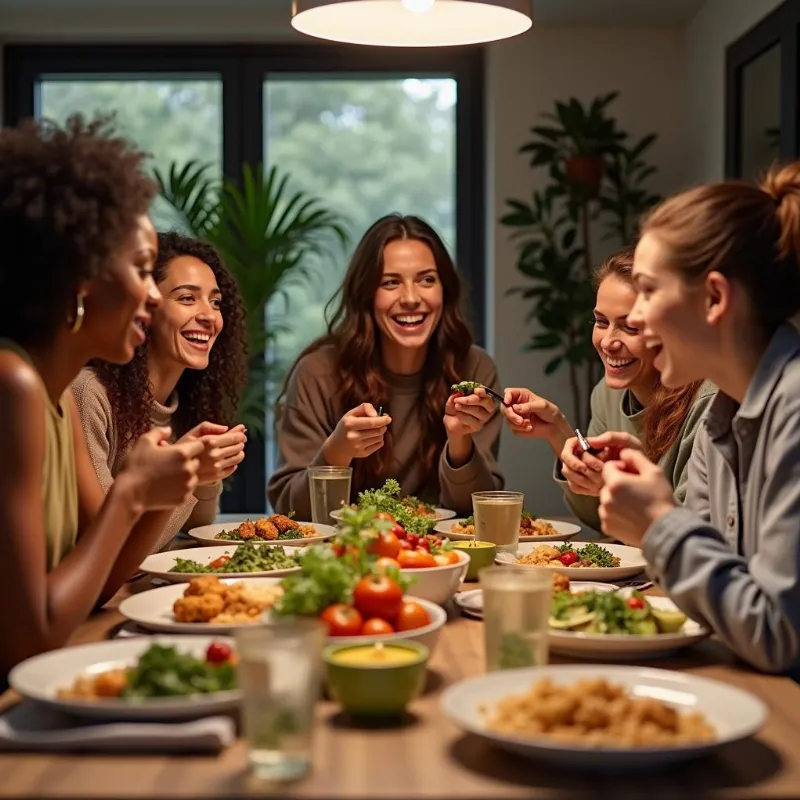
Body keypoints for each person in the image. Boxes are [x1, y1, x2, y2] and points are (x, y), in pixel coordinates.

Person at [0, 115, 203, 676]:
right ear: (81, 276)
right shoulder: (12, 383)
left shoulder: (55, 393)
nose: (156, 298)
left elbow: (98, 581)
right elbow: (27, 640)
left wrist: (157, 489)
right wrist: (131, 495)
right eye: (142, 270)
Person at [597, 163, 800, 675]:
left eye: (647, 291)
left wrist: (659, 524)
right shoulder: (722, 419)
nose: (636, 319)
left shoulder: (794, 409)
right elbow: (714, 603)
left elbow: (777, 635)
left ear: (713, 298)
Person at [268, 213, 504, 518]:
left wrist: (460, 441)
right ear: (366, 294)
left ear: (444, 291)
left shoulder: (474, 370)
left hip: (442, 555)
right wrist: (336, 452)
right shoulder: (317, 373)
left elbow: (480, 514)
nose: (410, 298)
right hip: (345, 555)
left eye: (426, 280)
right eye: (390, 282)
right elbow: (289, 510)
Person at [502, 246, 715, 530]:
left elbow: (693, 536)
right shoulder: (606, 393)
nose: (607, 342)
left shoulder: (708, 402)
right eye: (601, 322)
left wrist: (624, 491)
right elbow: (599, 518)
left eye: (630, 328)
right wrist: (558, 430)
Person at [72, 231, 249, 551]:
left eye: (216, 302)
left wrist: (206, 477)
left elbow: (197, 523)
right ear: (146, 305)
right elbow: (104, 546)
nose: (209, 316)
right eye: (186, 298)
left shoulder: (187, 402)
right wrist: (188, 476)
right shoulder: (89, 394)